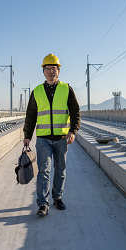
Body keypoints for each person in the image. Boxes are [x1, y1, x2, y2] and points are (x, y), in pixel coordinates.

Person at [23, 53, 80, 216]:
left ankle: (57, 197)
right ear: (43, 72)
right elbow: (31, 115)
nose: (51, 72)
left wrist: (73, 131)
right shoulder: (37, 91)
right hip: (43, 139)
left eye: (54, 68)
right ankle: (43, 203)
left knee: (60, 169)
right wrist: (27, 134)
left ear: (59, 71)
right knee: (44, 171)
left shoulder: (66, 89)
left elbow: (75, 111)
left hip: (62, 138)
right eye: (48, 69)